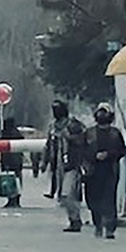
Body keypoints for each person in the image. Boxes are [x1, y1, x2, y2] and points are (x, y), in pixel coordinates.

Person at [84, 103, 126, 239]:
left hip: (110, 170)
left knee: (109, 198)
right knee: (93, 198)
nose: (102, 115)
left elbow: (122, 150)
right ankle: (98, 224)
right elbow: (82, 151)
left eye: (105, 112)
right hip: (92, 171)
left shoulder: (115, 133)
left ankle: (109, 227)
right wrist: (94, 156)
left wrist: (108, 155)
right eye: (100, 112)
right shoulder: (89, 133)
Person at [44, 100, 87, 233]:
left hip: (72, 164)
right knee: (62, 197)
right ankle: (73, 219)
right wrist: (44, 162)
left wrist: (69, 137)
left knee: (67, 194)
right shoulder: (52, 127)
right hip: (58, 165)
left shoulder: (73, 125)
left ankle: (76, 219)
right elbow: (48, 145)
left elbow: (83, 140)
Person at [0, 117, 24, 208]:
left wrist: (4, 163)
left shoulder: (7, 133)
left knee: (10, 181)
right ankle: (15, 199)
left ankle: (12, 199)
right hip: (17, 161)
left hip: (10, 161)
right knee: (16, 180)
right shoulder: (17, 133)